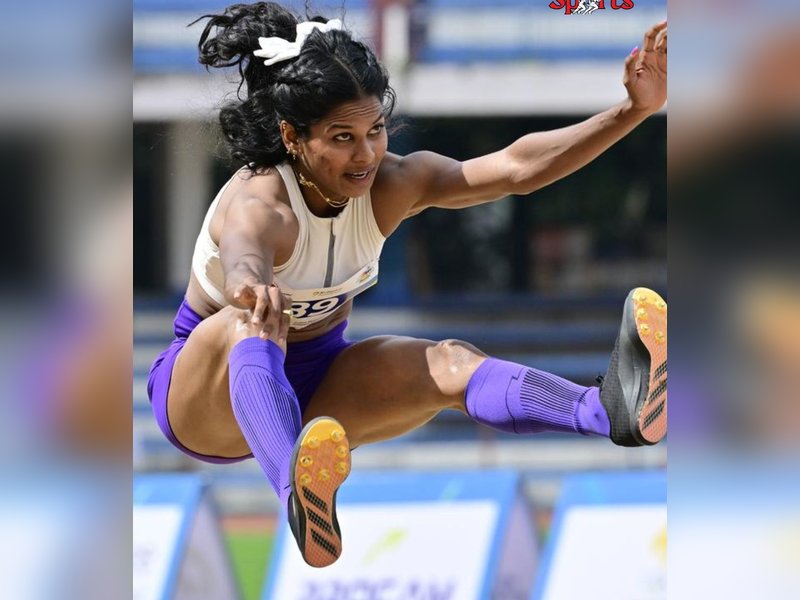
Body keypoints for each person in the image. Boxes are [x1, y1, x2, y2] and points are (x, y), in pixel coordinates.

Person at [147, 2, 668, 568]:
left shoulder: (392, 184)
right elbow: (245, 250)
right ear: (292, 136)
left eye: (375, 130)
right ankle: (296, 492)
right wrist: (249, 283)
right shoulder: (263, 202)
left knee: (450, 362)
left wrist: (632, 112)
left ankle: (609, 413)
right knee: (245, 319)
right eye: (341, 136)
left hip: (316, 388)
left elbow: (518, 169)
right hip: (206, 398)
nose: (365, 153)